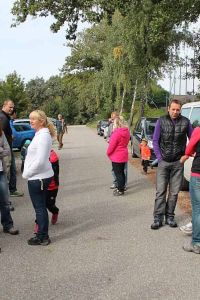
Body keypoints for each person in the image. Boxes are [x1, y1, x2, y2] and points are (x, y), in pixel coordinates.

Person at [151, 99, 193, 230]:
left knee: (174, 193)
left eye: (177, 110)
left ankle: (170, 216)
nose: (175, 112)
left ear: (180, 110)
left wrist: (186, 155)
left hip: (178, 163)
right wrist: (159, 158)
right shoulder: (161, 121)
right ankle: (158, 218)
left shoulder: (186, 122)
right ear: (168, 108)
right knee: (160, 192)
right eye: (173, 109)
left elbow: (193, 140)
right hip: (164, 162)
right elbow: (155, 140)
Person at [22, 110, 56, 246]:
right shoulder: (40, 134)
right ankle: (43, 235)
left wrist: (27, 173)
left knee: (40, 208)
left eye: (33, 119)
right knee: (41, 207)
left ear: (41, 121)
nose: (30, 121)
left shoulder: (42, 136)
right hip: (40, 177)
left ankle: (42, 236)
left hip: (38, 178)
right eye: (30, 118)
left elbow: (41, 161)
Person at [180, 126, 200, 253]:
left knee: (198, 209)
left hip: (198, 174)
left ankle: (196, 243)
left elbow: (189, 147)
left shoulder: (198, 130)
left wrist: (188, 154)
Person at [0, 119, 19, 241]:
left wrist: (1, 151)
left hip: (0, 172)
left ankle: (8, 225)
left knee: (5, 201)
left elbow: (7, 151)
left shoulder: (1, 133)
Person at [0, 100, 24, 198]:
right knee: (9, 171)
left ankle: (10, 190)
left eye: (13, 107)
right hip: (6, 150)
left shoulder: (5, 117)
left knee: (10, 171)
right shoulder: (3, 118)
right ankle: (11, 191)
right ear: (4, 106)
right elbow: (2, 136)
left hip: (8, 148)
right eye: (10, 107)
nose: (12, 109)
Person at [34, 149, 60, 233]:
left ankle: (55, 211)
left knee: (49, 204)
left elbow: (54, 172)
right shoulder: (36, 153)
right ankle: (38, 224)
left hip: (51, 186)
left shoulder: (52, 155)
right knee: (41, 206)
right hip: (40, 185)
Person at [106, 117, 130, 196]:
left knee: (118, 174)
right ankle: (122, 187)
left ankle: (120, 190)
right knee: (122, 173)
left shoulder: (116, 133)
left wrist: (108, 153)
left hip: (116, 156)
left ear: (117, 123)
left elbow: (111, 146)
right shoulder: (127, 132)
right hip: (123, 154)